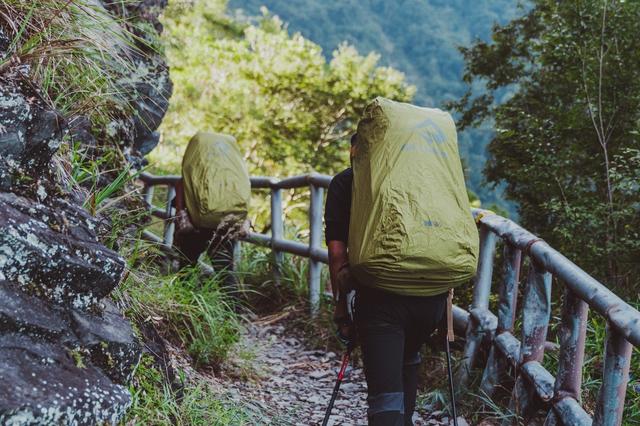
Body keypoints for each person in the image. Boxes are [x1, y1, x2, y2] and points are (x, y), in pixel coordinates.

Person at [324, 134, 447, 426]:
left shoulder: (346, 182)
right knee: (407, 357)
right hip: (432, 298)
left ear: (355, 150)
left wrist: (342, 309)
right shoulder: (423, 179)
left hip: (381, 300)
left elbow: (337, 252)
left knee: (385, 395)